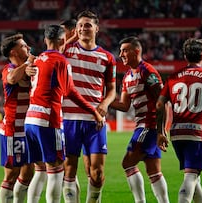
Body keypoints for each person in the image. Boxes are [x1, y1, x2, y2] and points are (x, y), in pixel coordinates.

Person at [24, 24, 104, 203]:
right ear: (62, 40)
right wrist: (94, 112)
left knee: (40, 170)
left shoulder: (37, 59)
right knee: (56, 172)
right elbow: (71, 92)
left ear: (45, 40)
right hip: (48, 120)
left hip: (30, 120)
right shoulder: (61, 61)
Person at [156, 38, 202, 203]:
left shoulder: (173, 77)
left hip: (177, 134)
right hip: (196, 132)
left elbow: (159, 104)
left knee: (195, 175)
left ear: (185, 56)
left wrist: (161, 131)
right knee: (191, 176)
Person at [61, 10, 117, 203]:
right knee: (69, 169)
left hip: (95, 120)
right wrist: (71, 39)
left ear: (97, 29)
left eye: (88, 25)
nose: (85, 28)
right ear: (76, 29)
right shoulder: (66, 51)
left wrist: (104, 103)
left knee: (98, 172)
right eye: (81, 25)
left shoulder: (107, 58)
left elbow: (112, 90)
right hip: (69, 119)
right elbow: (51, 54)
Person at [110, 36, 170, 203]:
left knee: (127, 163)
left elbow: (162, 101)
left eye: (125, 50)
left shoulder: (148, 71)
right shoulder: (128, 76)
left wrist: (161, 131)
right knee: (153, 170)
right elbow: (124, 105)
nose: (121, 54)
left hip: (148, 126)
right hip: (143, 125)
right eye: (120, 50)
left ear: (136, 51)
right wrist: (104, 101)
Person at [0, 33, 36, 203]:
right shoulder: (9, 69)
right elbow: (12, 79)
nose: (27, 47)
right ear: (13, 52)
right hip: (12, 129)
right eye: (23, 45)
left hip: (28, 128)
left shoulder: (29, 68)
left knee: (29, 171)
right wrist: (28, 63)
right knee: (12, 173)